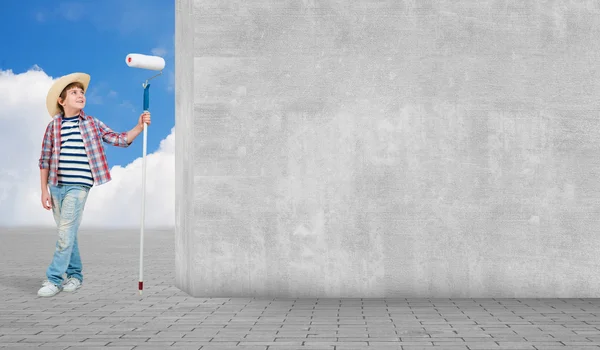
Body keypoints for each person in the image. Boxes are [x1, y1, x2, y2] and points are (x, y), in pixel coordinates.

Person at [37, 72, 151, 297]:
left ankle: (54, 279)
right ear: (62, 101)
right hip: (56, 186)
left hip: (79, 185)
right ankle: (75, 275)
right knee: (67, 233)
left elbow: (118, 139)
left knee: (65, 232)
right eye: (74, 92)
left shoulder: (91, 123)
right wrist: (44, 191)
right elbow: (44, 159)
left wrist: (138, 127)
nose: (80, 95)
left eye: (82, 92)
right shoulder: (53, 127)